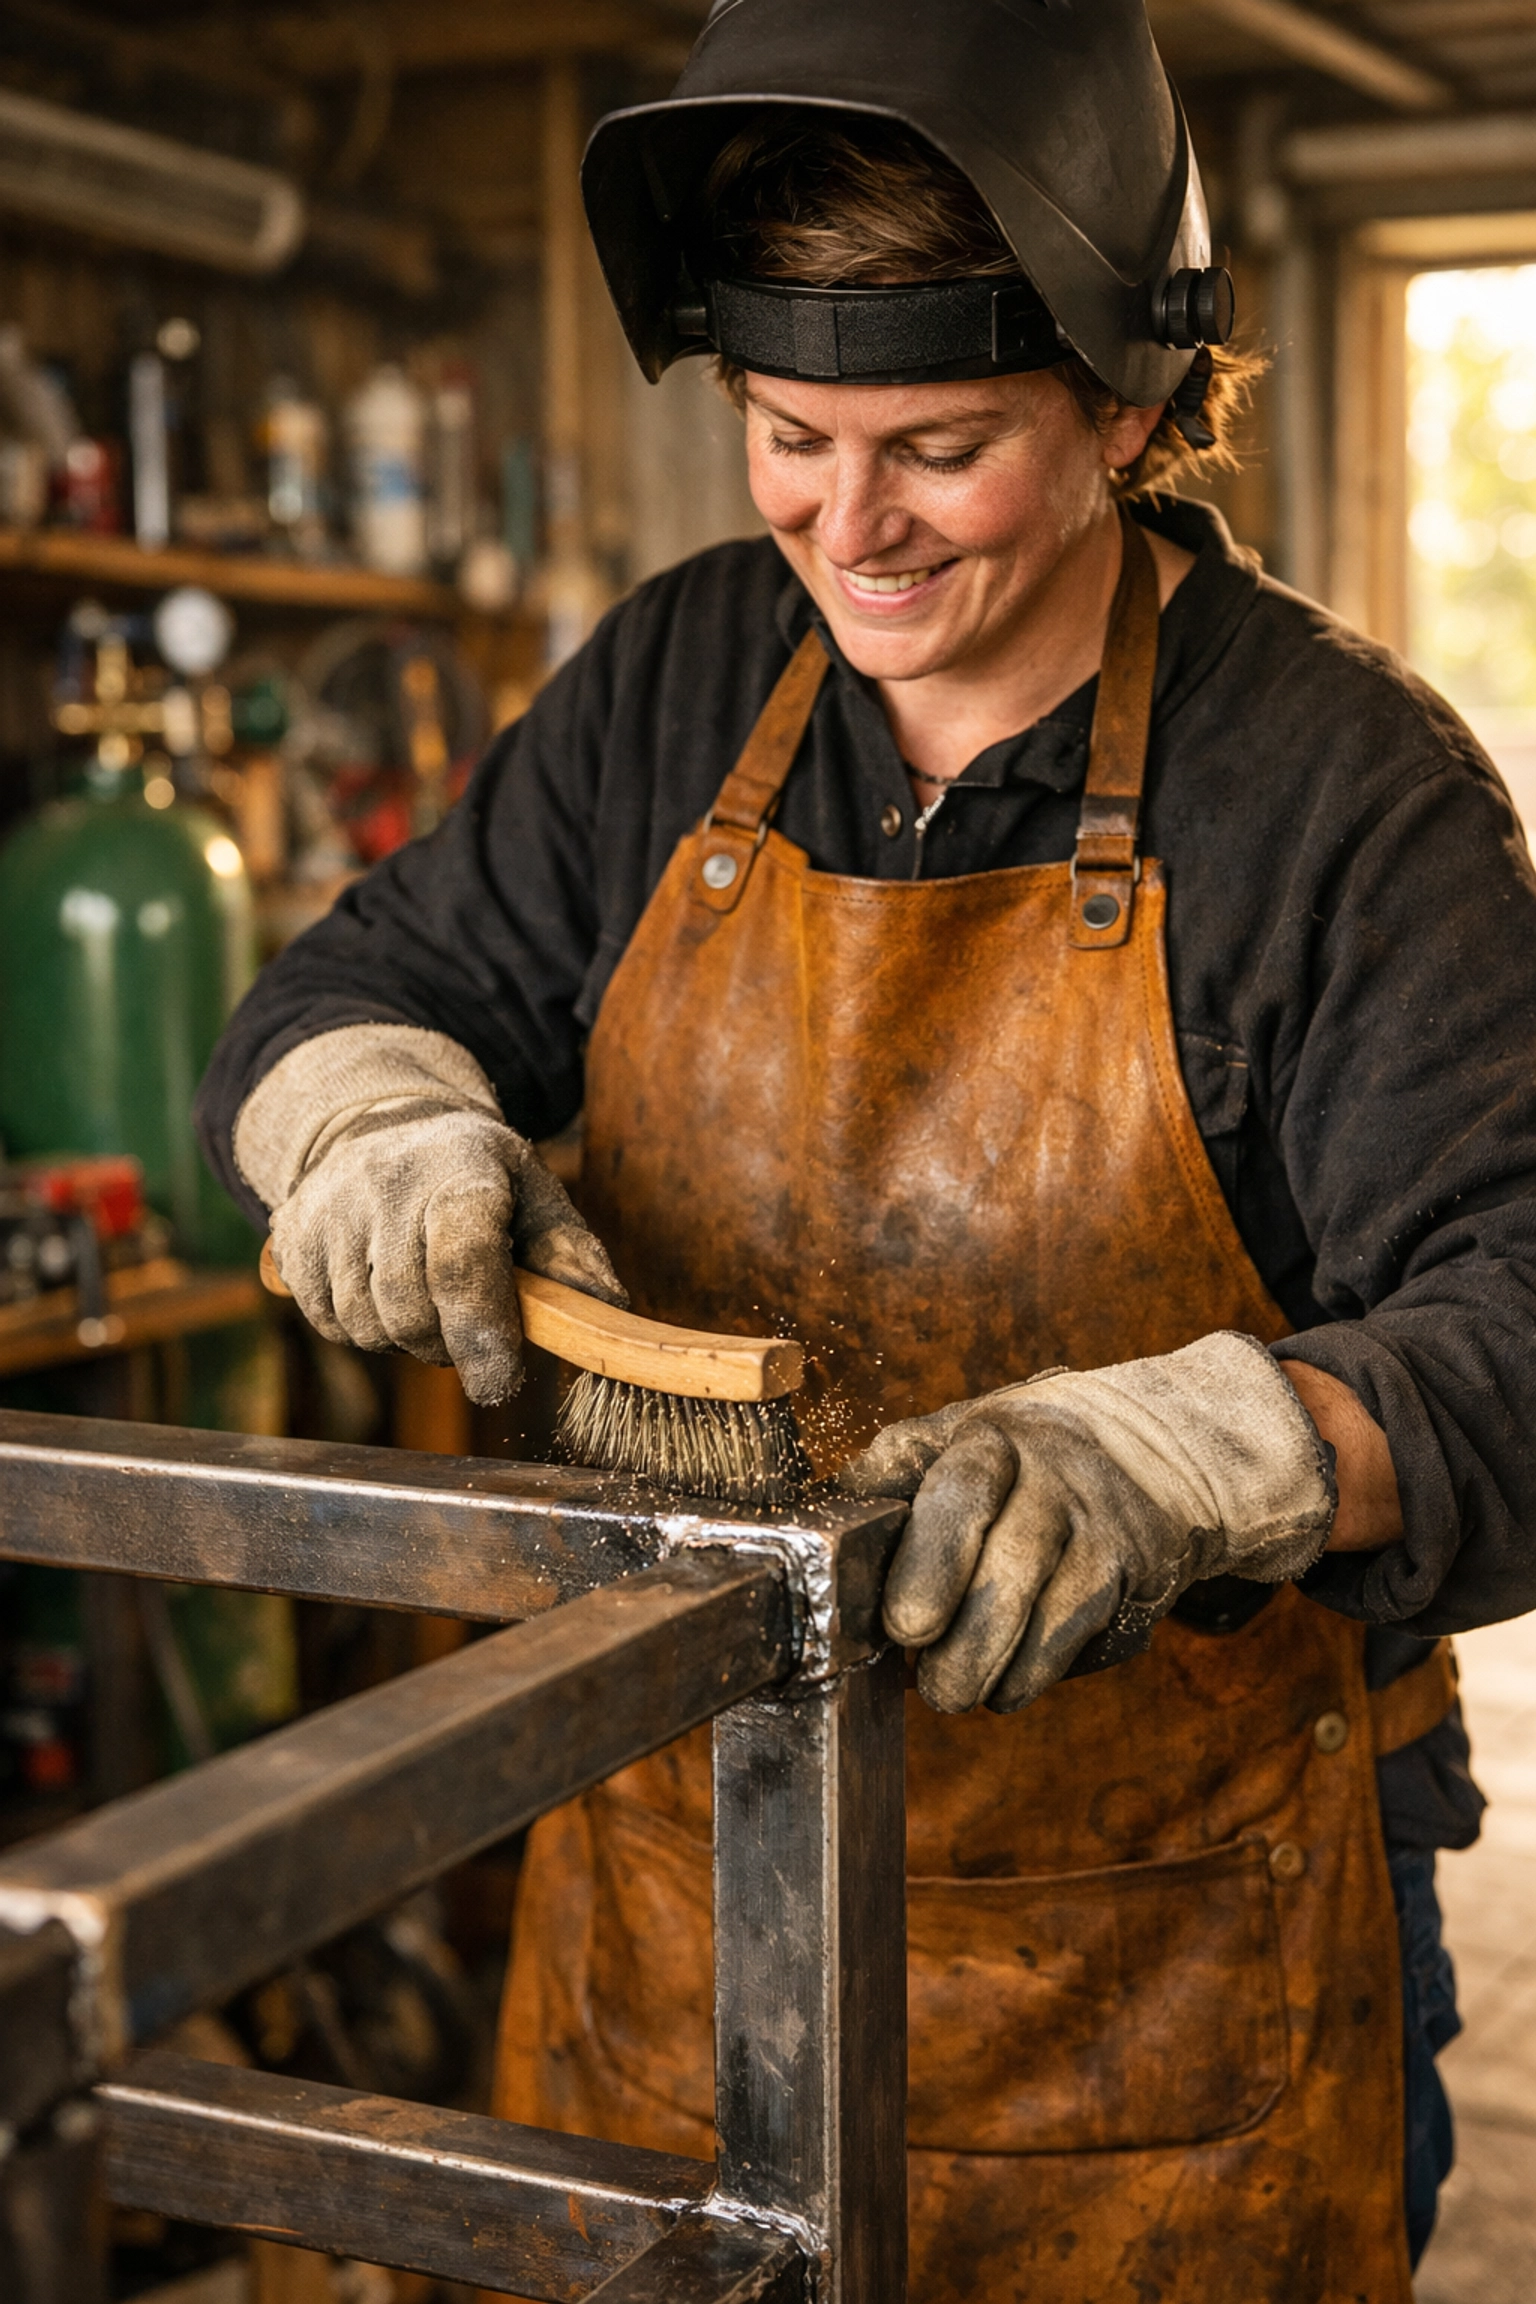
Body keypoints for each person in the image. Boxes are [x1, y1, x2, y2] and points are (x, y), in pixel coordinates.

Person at [197, 3, 1519, 2292]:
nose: (849, 521)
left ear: (1126, 406)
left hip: (1177, 1973)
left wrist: (1203, 1456)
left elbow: (1522, 1316)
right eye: (787, 435)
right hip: (680, 1902)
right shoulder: (687, 676)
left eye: (939, 446)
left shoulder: (1340, 793)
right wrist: (374, 1127)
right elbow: (341, 991)